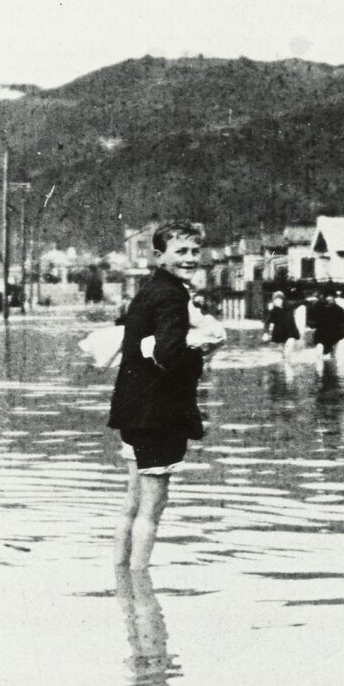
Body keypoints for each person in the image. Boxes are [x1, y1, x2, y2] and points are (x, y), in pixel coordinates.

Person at [108, 221, 225, 569]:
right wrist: (201, 353)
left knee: (132, 500)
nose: (190, 258)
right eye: (181, 251)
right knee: (153, 505)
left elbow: (140, 343)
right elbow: (169, 353)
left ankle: (122, 577)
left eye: (195, 251)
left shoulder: (150, 289)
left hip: (134, 409)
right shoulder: (173, 294)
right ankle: (141, 583)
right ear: (160, 256)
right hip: (159, 413)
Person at [310, 288, 344, 364]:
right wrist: (313, 325)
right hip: (322, 333)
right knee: (320, 351)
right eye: (328, 299)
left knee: (333, 353)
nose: (329, 300)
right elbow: (312, 319)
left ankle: (332, 369)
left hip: (334, 334)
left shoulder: (339, 309)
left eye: (331, 298)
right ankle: (321, 368)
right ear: (325, 299)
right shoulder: (319, 308)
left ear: (334, 298)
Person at [262, 290, 299, 358]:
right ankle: (285, 364)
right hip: (280, 334)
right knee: (283, 353)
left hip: (291, 332)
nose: (278, 302)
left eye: (279, 300)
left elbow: (299, 303)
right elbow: (267, 322)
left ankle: (287, 364)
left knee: (288, 350)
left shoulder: (289, 307)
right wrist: (265, 333)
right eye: (276, 300)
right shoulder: (273, 311)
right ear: (273, 301)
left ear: (283, 300)